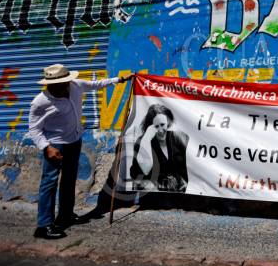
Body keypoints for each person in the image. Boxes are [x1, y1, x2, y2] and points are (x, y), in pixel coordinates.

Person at [27, 64, 131, 240]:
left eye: (65, 83)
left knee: (69, 180)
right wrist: (46, 147)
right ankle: (43, 226)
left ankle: (65, 215)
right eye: (59, 85)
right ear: (50, 84)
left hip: (74, 141)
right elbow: (34, 129)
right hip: (55, 145)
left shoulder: (75, 85)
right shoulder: (40, 101)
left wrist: (119, 79)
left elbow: (96, 84)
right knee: (49, 183)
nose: (64, 87)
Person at [130, 104, 189, 193]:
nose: (160, 130)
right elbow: (143, 171)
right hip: (153, 194)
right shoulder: (142, 142)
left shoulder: (179, 139)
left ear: (168, 122)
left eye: (162, 124)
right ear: (150, 127)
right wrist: (146, 139)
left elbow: (188, 171)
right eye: (156, 126)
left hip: (178, 194)